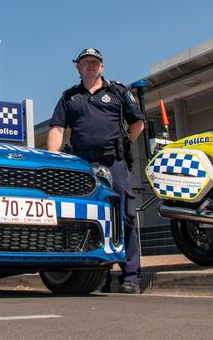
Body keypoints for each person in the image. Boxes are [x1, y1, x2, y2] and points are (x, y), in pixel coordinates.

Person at [47, 48, 145, 293]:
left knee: (125, 216)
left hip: (115, 164)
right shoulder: (69, 97)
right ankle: (99, 275)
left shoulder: (117, 91)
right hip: (84, 167)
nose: (90, 65)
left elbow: (138, 123)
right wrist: (53, 161)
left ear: (102, 67)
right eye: (85, 62)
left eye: (95, 62)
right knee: (88, 217)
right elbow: (57, 129)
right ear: (77, 67)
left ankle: (131, 275)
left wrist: (122, 147)